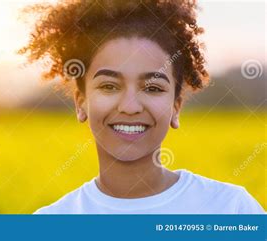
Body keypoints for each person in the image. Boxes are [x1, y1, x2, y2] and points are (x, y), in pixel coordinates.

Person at [18, 0, 265, 214]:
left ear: (176, 108)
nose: (130, 106)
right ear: (81, 103)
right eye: (109, 86)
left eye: (153, 88)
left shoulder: (230, 210)